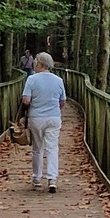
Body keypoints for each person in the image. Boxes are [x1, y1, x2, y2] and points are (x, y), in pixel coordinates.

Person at [21, 52, 66, 192]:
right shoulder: (58, 80)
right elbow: (62, 102)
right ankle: (52, 179)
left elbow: (26, 100)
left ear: (40, 63)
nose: (34, 63)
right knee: (52, 148)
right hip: (53, 117)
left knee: (37, 148)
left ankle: (37, 178)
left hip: (37, 118)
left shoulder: (32, 79)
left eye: (36, 61)